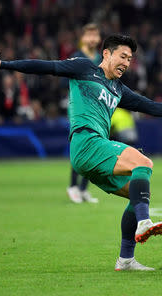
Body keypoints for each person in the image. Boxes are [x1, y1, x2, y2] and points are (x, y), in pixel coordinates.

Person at [0, 34, 162, 271]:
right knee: (144, 164)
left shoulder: (118, 89)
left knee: (136, 193)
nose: (127, 63)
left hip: (93, 152)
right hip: (86, 142)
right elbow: (46, 67)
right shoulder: (83, 67)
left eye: (130, 59)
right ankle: (143, 222)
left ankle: (126, 260)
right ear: (106, 54)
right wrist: (4, 64)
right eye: (123, 56)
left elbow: (153, 107)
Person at [66, 23, 102, 204]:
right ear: (83, 38)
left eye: (95, 34)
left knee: (94, 148)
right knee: (80, 146)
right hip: (80, 108)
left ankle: (83, 189)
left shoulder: (101, 58)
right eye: (89, 34)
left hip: (97, 109)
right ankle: (73, 187)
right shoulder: (76, 57)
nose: (92, 38)